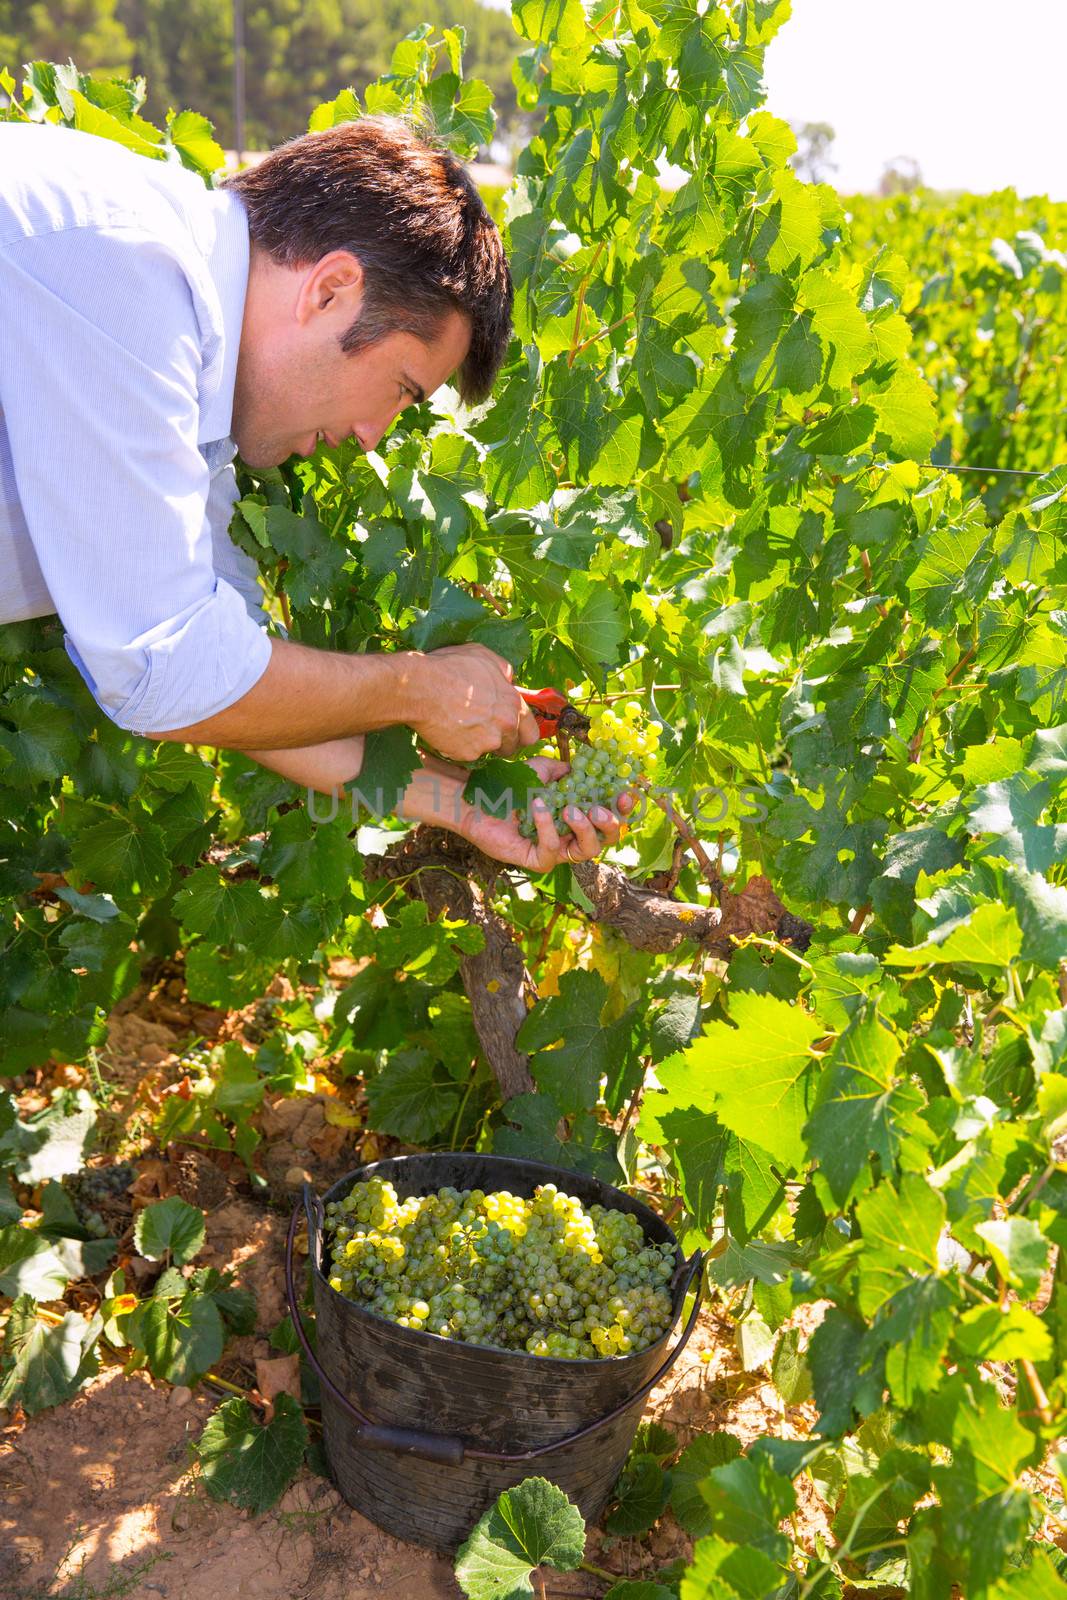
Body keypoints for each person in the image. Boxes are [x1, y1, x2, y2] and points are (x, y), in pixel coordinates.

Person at [0, 115, 631, 868]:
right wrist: (416, 689)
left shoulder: (191, 393)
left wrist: (471, 803)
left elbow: (223, 677)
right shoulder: (124, 270)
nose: (372, 434)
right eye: (399, 389)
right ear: (330, 289)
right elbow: (164, 671)